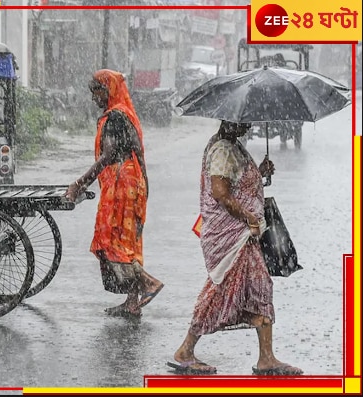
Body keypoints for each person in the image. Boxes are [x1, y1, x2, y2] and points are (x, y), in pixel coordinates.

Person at [169, 121, 303, 375]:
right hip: (232, 235)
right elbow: (221, 192)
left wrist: (260, 174)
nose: (248, 126)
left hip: (244, 235)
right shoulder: (223, 149)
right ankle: (186, 350)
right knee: (223, 289)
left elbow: (237, 183)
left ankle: (266, 357)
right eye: (244, 121)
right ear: (230, 120)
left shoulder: (233, 146)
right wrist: (248, 217)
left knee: (258, 286)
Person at [65, 69, 164, 319]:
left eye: (96, 92)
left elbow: (107, 156)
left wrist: (80, 183)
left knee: (111, 240)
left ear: (107, 90)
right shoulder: (126, 114)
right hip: (133, 181)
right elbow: (139, 156)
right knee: (127, 240)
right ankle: (132, 302)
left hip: (122, 183)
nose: (93, 98)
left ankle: (148, 284)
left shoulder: (115, 118)